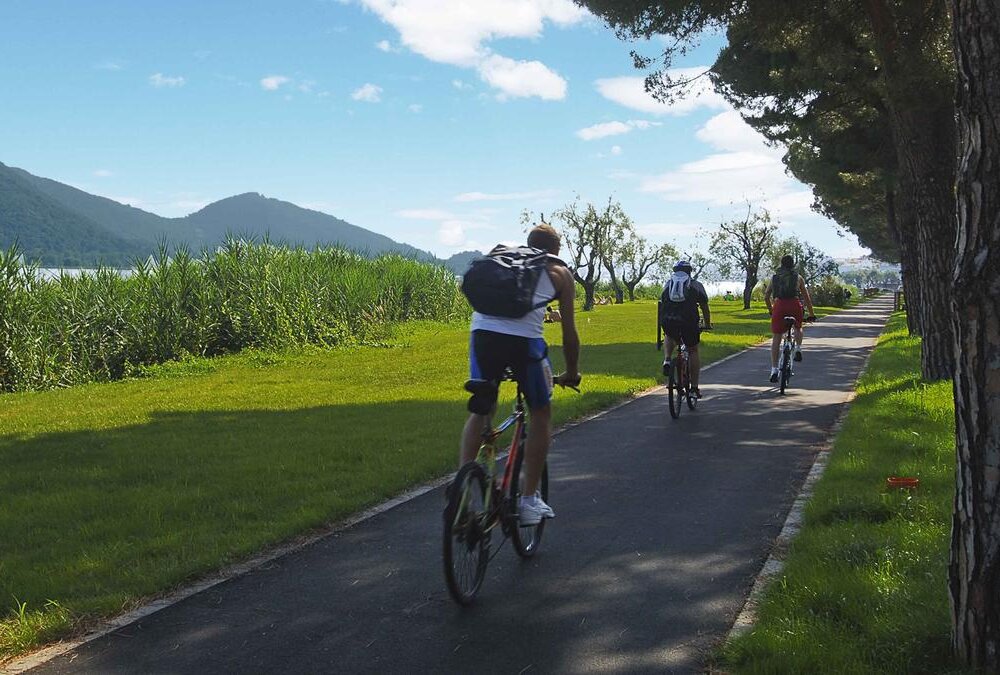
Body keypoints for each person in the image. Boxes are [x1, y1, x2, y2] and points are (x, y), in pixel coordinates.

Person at [460, 223, 581, 525]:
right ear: (556, 249)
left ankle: (462, 484)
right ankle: (528, 500)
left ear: (528, 242)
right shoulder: (560, 272)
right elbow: (570, 335)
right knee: (540, 412)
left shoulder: (500, 253)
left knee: (482, 405)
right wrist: (572, 372)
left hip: (482, 335)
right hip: (524, 342)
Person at [659, 260, 712, 398]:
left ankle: (667, 359)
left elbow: (662, 302)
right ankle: (694, 388)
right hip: (689, 322)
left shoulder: (668, 284)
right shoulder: (695, 285)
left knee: (669, 335)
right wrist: (707, 323)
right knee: (693, 349)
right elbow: (704, 306)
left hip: (669, 320)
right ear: (690, 271)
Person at [764, 255, 816, 382]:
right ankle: (798, 348)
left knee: (777, 337)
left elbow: (766, 296)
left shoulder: (774, 278)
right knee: (798, 326)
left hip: (779, 305)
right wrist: (811, 314)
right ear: (793, 265)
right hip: (794, 304)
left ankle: (774, 369)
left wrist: (771, 310)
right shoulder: (798, 278)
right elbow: (807, 297)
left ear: (781, 264)